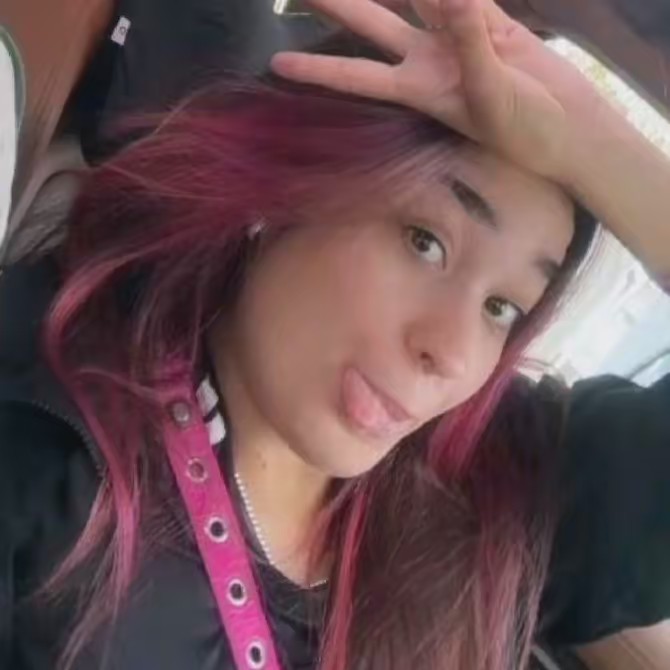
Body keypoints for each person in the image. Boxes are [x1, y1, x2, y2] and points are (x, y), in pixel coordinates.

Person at [0, 0, 669, 669]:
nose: (452, 352)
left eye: (502, 308)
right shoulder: (48, 454)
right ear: (286, 189)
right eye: (425, 243)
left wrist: (600, 152)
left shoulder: (493, 483)